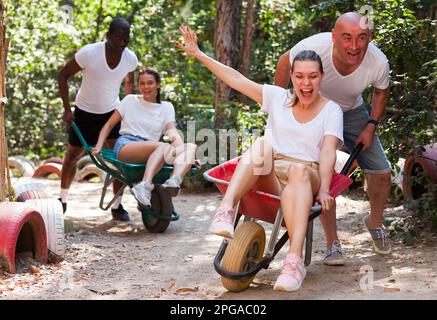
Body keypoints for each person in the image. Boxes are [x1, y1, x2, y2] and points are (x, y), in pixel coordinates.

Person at [176, 24, 343, 292]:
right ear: (291, 76)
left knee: (299, 171)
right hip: (272, 175)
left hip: (305, 177)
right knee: (263, 143)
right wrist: (198, 53)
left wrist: (324, 190)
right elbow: (237, 80)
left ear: (321, 77)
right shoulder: (278, 98)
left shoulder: (331, 110)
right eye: (299, 76)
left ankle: (294, 259)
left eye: (312, 76)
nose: (306, 83)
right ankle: (226, 209)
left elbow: (327, 152)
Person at [275, 12, 392, 264]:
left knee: (382, 173)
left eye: (362, 38)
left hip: (352, 113)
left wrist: (371, 125)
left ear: (369, 37)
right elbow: (284, 64)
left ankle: (375, 222)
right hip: (315, 110)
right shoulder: (312, 47)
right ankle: (333, 244)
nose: (354, 46)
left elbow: (382, 91)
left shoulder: (377, 62)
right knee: (323, 173)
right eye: (347, 38)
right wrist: (282, 107)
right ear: (334, 37)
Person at [57, 17, 138, 221]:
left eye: (126, 38)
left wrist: (128, 111)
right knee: (72, 157)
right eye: (118, 36)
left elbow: (129, 86)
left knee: (118, 158)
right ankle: (62, 200)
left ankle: (117, 206)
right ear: (108, 35)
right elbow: (62, 75)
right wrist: (67, 110)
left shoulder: (130, 59)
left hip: (111, 113)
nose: (122, 41)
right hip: (84, 112)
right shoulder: (89, 53)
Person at [92, 67, 199, 207]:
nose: (145, 87)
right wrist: (100, 144)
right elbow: (109, 125)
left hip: (154, 151)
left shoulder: (166, 107)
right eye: (142, 83)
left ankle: (174, 181)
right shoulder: (130, 100)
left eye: (150, 83)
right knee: (163, 147)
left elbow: (172, 133)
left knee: (191, 147)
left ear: (158, 84)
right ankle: (145, 185)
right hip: (127, 146)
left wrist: (187, 156)